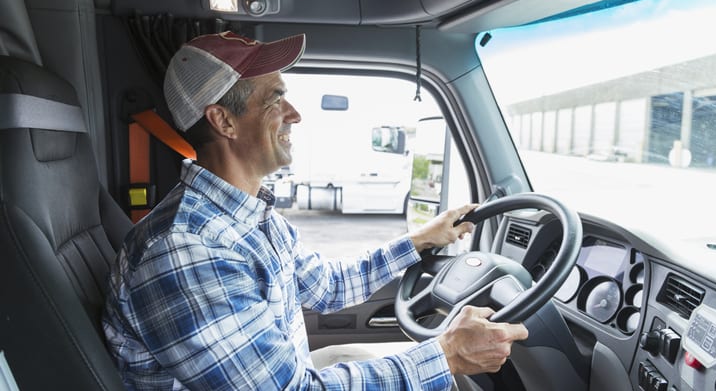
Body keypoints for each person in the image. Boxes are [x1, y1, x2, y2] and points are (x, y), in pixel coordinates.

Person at [103, 31, 528, 390]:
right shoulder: (187, 250)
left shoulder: (249, 216)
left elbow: (327, 287)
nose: (296, 115)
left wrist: (420, 240)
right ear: (223, 122)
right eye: (276, 99)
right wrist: (447, 354)